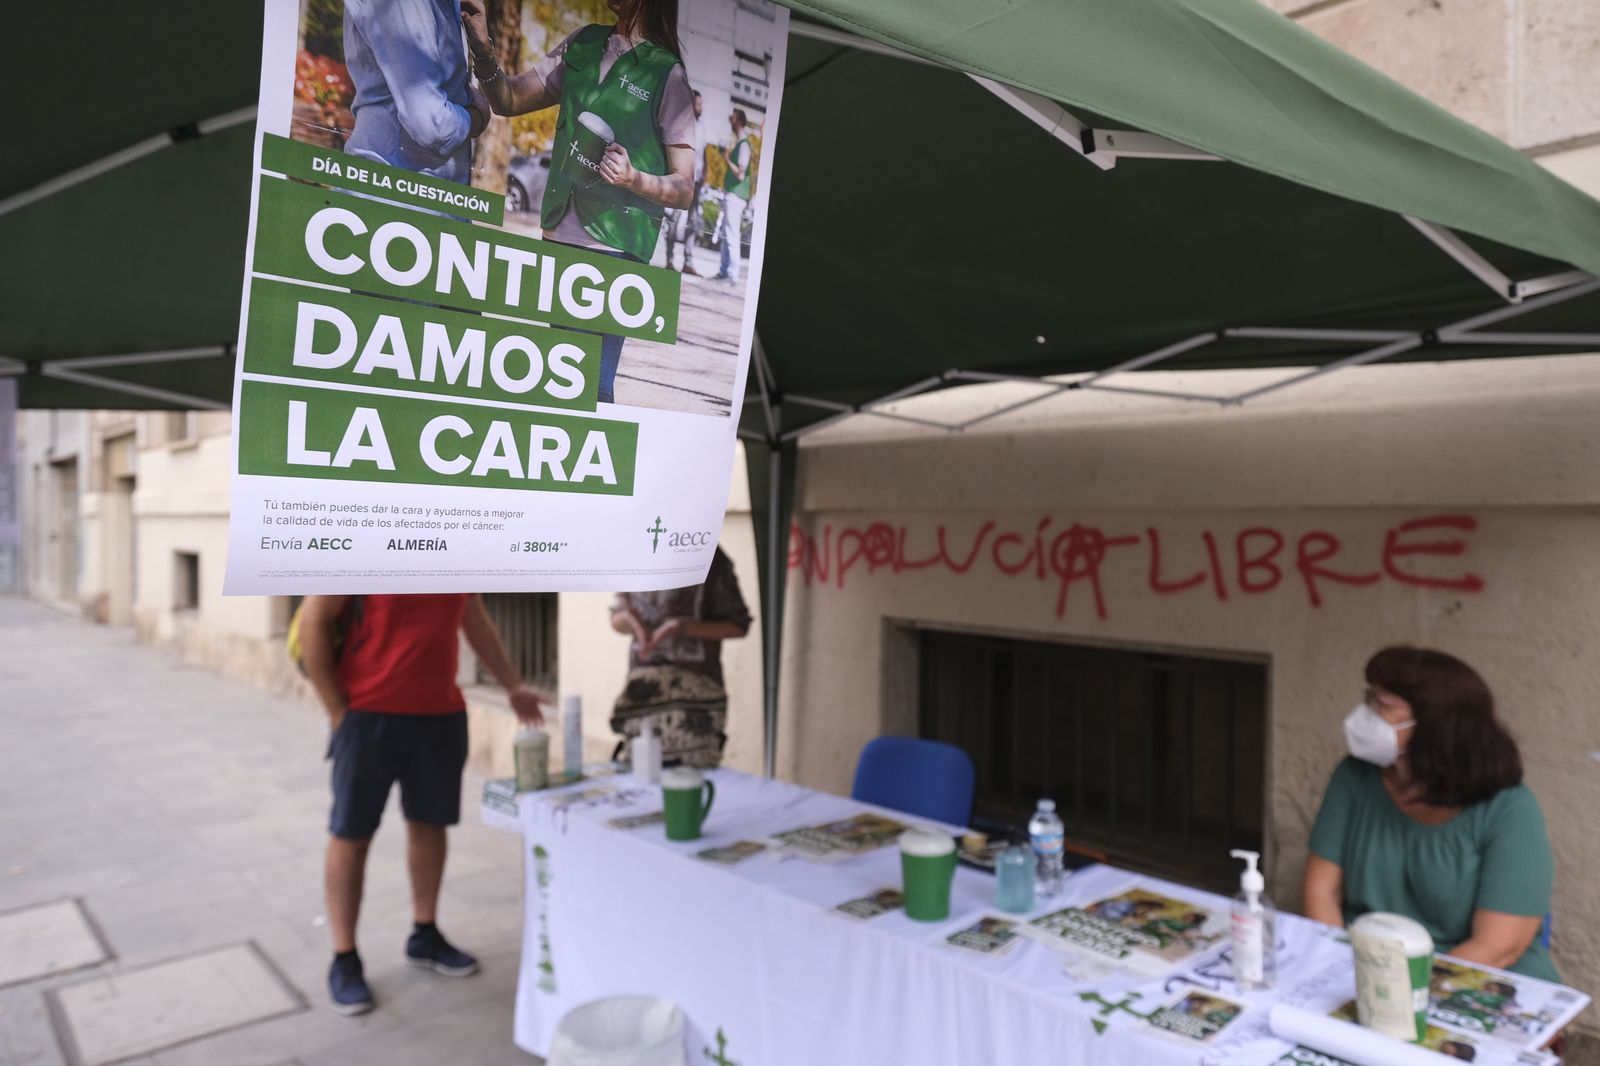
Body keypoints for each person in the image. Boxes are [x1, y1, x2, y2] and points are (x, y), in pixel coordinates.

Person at [300, 593, 547, 1015]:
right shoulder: (359, 541)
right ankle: (345, 959)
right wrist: (337, 711)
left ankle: (424, 934)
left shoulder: (453, 549)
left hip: (439, 716)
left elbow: (477, 623)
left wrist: (513, 685)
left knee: (429, 826)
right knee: (351, 834)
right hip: (367, 716)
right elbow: (313, 624)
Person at [461, 0, 697, 403]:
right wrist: (481, 46)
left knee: (592, 388)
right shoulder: (583, 43)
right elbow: (508, 100)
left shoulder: (667, 73)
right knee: (556, 379)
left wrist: (634, 179)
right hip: (559, 235)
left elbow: (684, 188)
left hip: (617, 247)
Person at [1303, 647, 1557, 980]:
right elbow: (1321, 893)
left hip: (1472, 975)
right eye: (1369, 697)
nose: (1366, 713)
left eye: (1384, 705)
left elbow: (1497, 948)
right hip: (1367, 966)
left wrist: (1405, 992)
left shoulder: (1509, 808)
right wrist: (1337, 969)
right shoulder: (1355, 777)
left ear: (1436, 725)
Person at [609, 546, 751, 767]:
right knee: (642, 780)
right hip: (642, 697)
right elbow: (616, 619)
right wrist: (631, 621)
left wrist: (682, 628)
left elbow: (738, 626)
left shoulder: (709, 556)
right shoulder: (634, 551)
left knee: (692, 783)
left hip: (696, 698)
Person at [343, 0, 493, 182]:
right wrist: (477, 117)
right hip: (394, 193)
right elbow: (429, 124)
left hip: (411, 192)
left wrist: (483, 51)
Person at [663, 90, 706, 274]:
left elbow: (704, 156)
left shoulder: (701, 128)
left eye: (700, 104)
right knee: (673, 220)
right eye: (697, 103)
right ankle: (670, 260)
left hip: (697, 184)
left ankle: (688, 262)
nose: (700, 107)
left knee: (694, 222)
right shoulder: (680, 126)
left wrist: (705, 175)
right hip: (680, 182)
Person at [710, 108, 753, 284]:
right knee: (727, 234)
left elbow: (741, 174)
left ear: (738, 121)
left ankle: (731, 274)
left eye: (732, 117)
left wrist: (727, 160)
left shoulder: (743, 145)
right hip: (733, 195)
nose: (730, 119)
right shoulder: (740, 144)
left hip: (736, 196)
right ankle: (725, 272)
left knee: (731, 234)